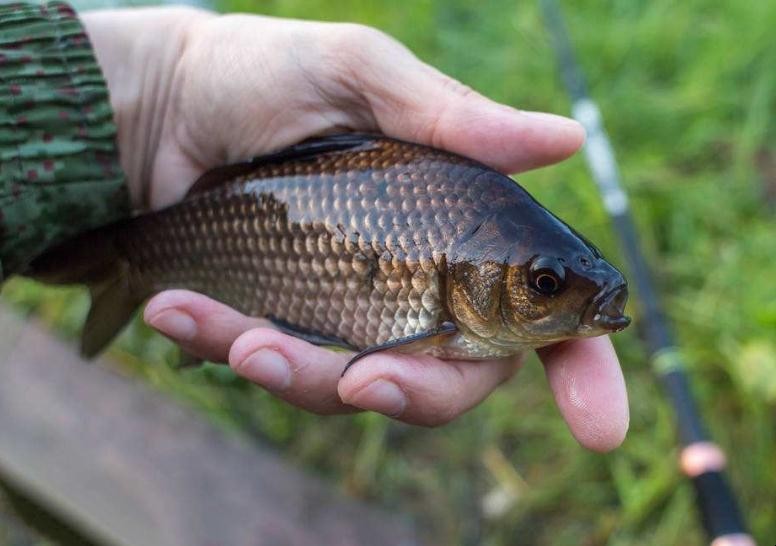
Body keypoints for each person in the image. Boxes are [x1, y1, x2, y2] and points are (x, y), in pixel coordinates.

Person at [0, 1, 628, 449]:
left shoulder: (483, 213)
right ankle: (123, 263)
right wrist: (167, 73)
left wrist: (162, 75)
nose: (560, 290)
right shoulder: (472, 222)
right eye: (546, 282)